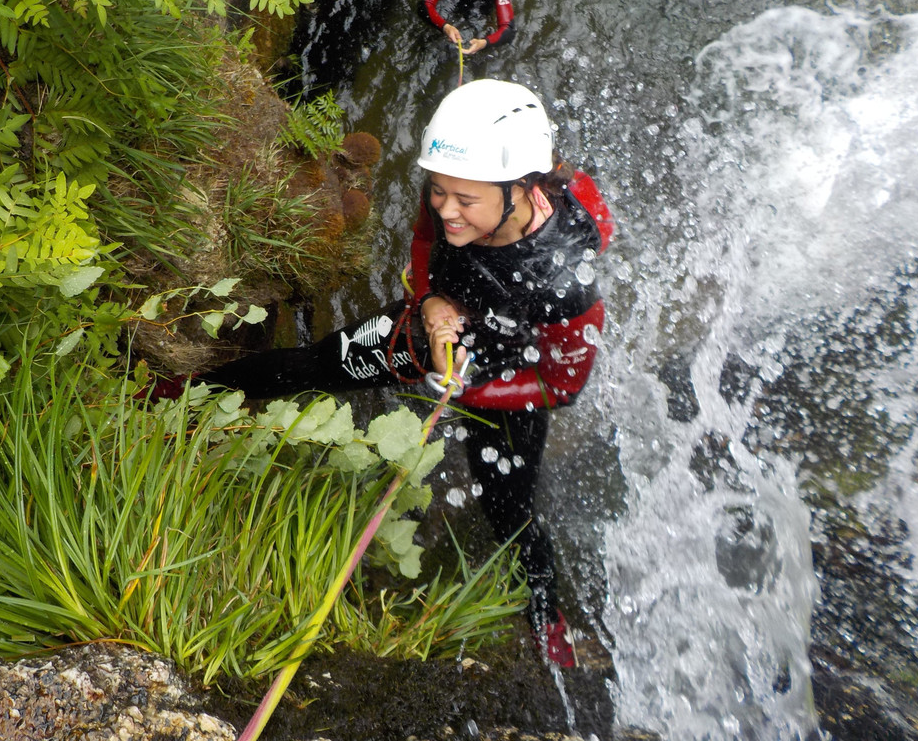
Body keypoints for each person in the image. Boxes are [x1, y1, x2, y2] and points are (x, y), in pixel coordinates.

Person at [194, 79, 613, 668]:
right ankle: (192, 392)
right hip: (432, 330)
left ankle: (546, 614)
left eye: (464, 201)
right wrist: (430, 300)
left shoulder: (567, 286)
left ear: (520, 189)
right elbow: (425, 242)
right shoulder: (456, 182)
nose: (446, 209)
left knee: (510, 510)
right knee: (320, 363)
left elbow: (560, 386)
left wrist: (473, 389)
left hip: (508, 371)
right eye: (439, 192)